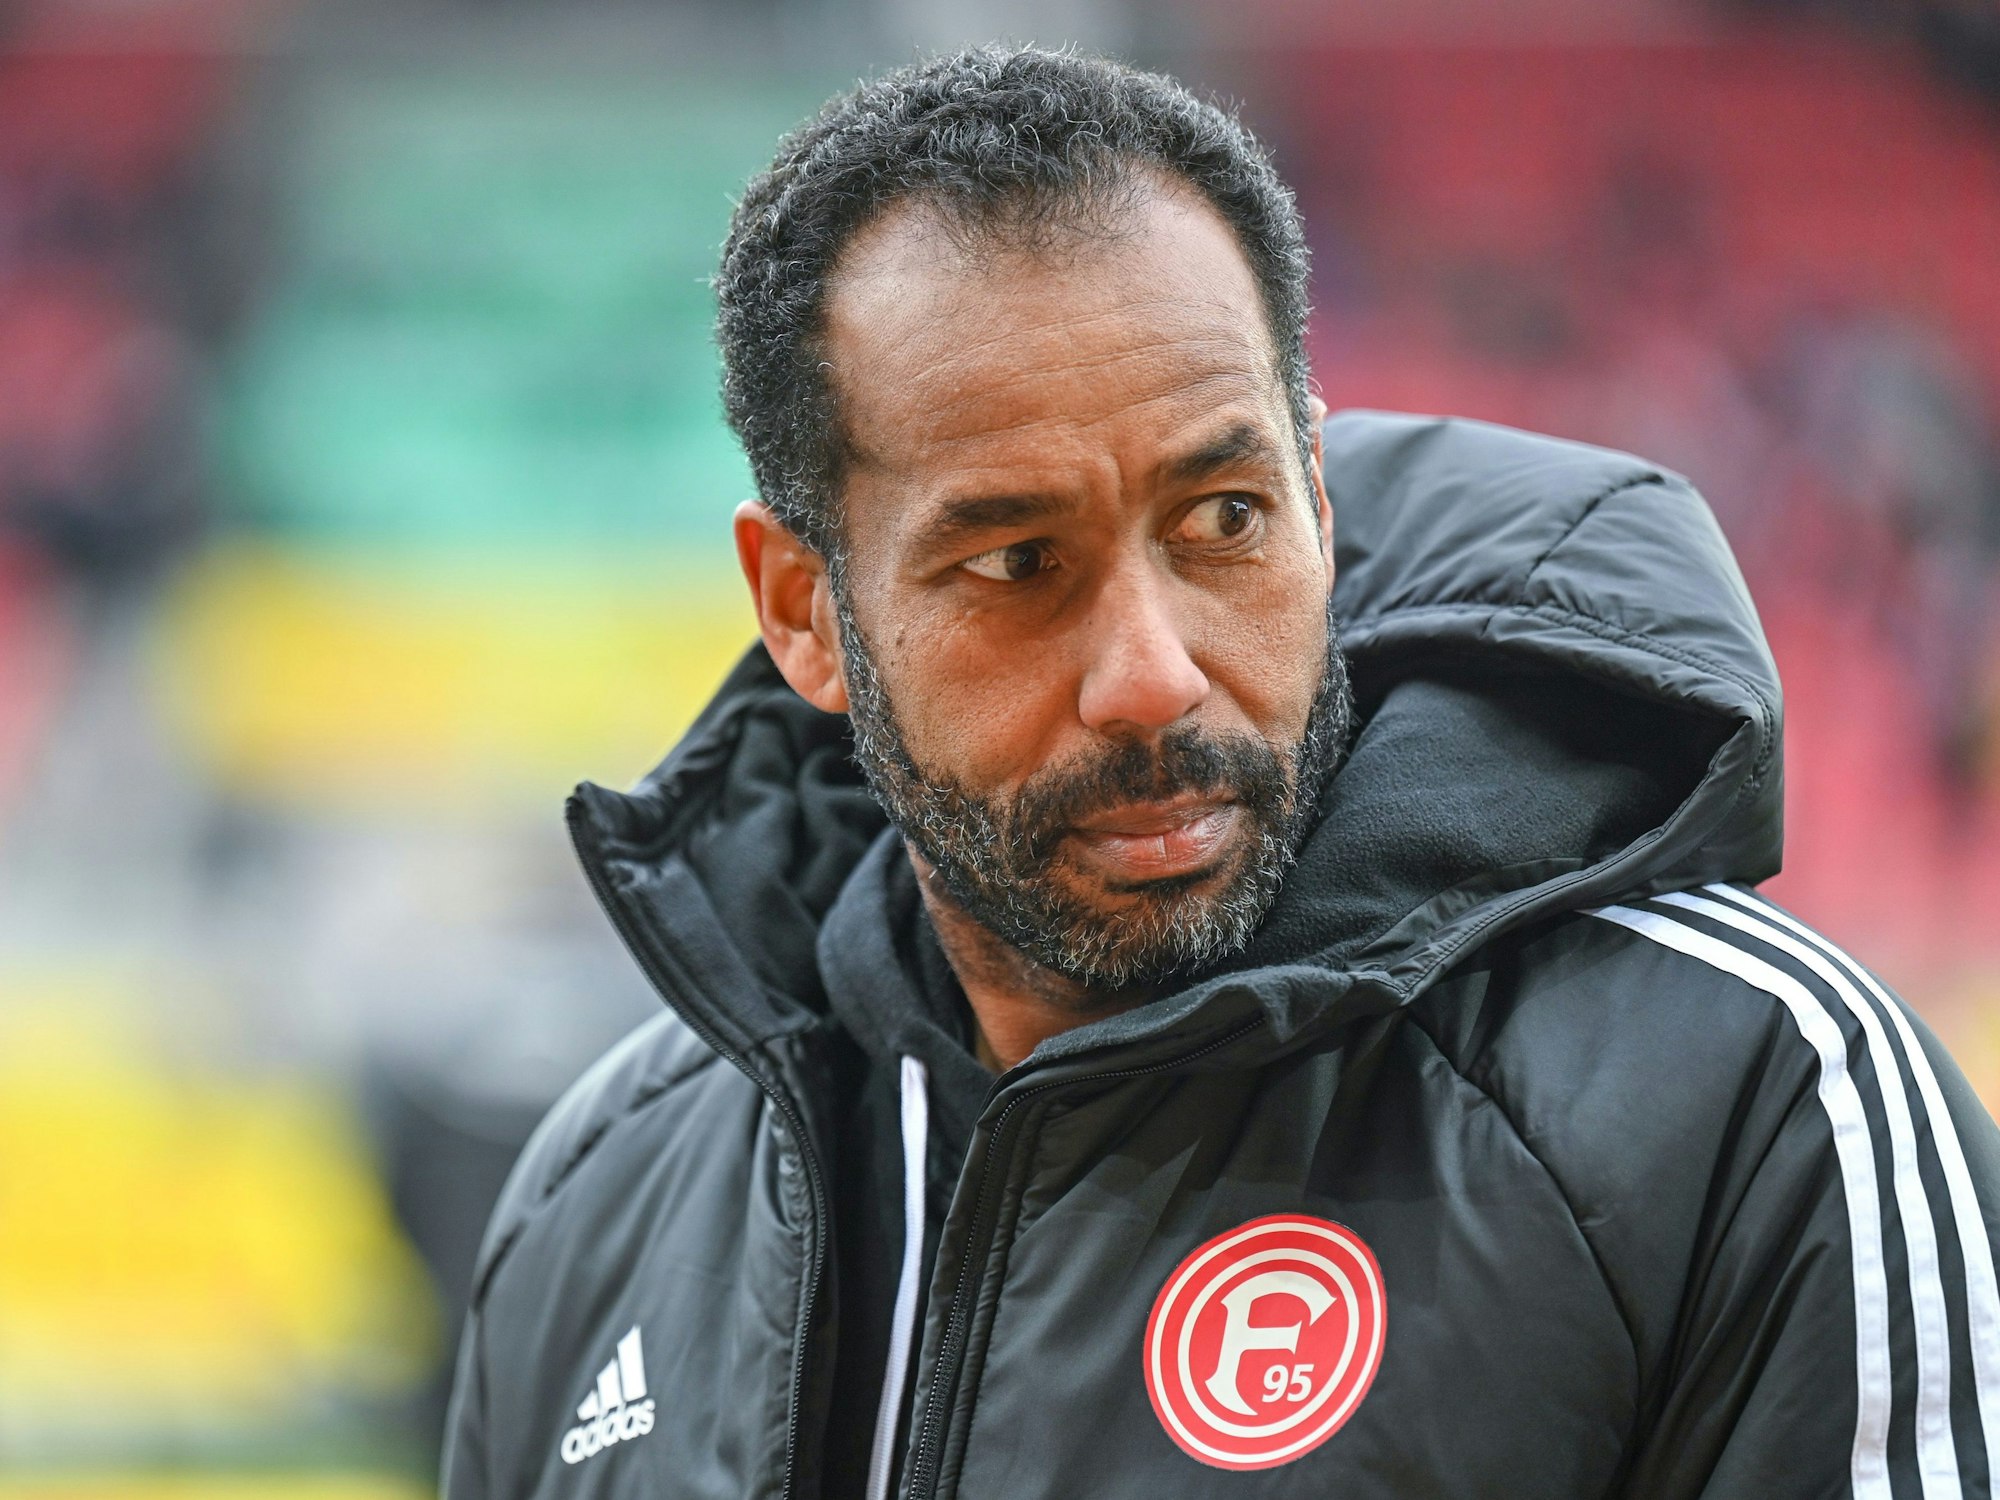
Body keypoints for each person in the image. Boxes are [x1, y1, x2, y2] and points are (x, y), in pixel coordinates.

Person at [440, 46, 2000, 1500]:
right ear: (803, 609)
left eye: (1226, 519)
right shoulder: (602, 1202)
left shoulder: (1751, 1105)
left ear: (1316, 492)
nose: (1154, 675)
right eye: (1017, 561)